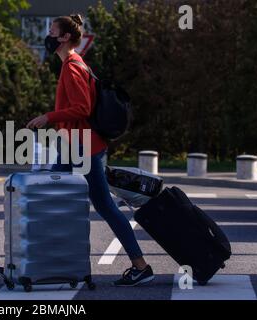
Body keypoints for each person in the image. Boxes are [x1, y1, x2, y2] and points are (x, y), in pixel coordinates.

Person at [26, 14, 154, 287]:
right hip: (79, 144)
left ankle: (30, 265)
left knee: (56, 199)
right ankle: (31, 263)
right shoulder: (74, 63)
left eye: (51, 30)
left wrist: (48, 116)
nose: (47, 35)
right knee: (65, 200)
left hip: (83, 145)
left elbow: (82, 109)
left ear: (64, 38)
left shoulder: (72, 67)